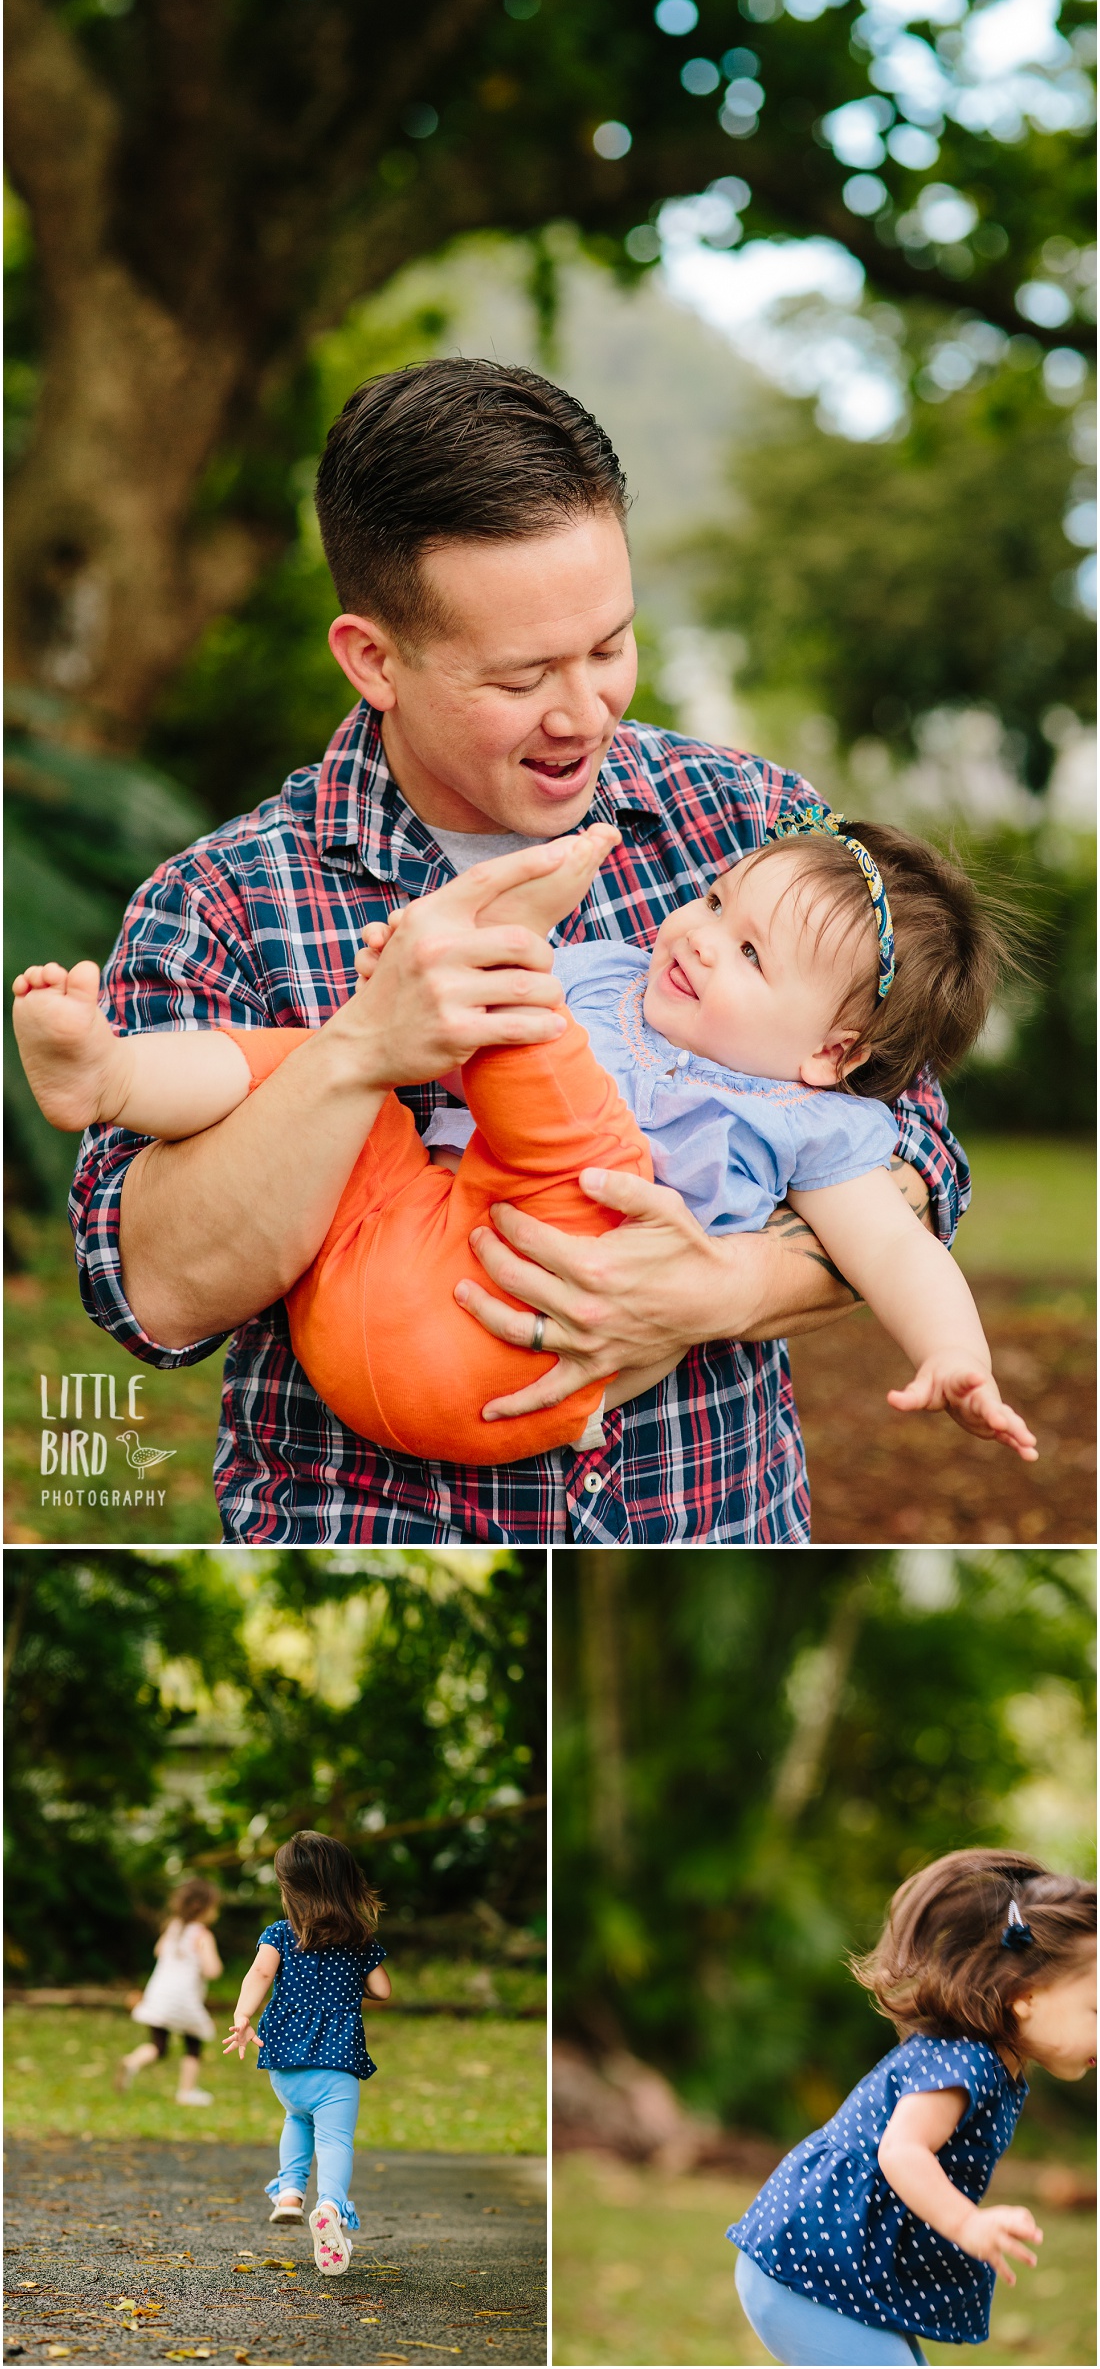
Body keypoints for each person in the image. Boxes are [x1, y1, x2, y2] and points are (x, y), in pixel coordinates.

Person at [60, 358, 970, 1542]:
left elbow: (916, 1159)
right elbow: (153, 1293)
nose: (583, 710)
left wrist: (720, 1290)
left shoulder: (750, 828)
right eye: (520, 675)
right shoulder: (222, 901)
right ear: (372, 658)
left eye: (607, 647)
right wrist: (359, 1054)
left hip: (703, 1533)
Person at [14, 809, 1036, 1468]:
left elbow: (901, 1241)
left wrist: (952, 1352)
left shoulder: (808, 1120)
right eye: (715, 900)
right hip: (412, 1243)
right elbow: (427, 1060)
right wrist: (403, 995)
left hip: (513, 1350)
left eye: (749, 954)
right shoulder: (597, 976)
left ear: (830, 1051)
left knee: (547, 1077)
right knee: (326, 1068)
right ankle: (115, 1073)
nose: (693, 936)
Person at [727, 1849, 1097, 2367]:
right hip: (808, 2268)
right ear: (1024, 1995)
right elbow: (901, 2152)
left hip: (833, 2273)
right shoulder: (967, 2061)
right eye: (1095, 2009)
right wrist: (968, 2225)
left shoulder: (995, 2066)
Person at [223, 1829, 390, 2275]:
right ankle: (330, 2208)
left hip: (285, 2061)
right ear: (345, 1886)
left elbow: (259, 1974)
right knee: (335, 2140)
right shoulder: (359, 1940)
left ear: (290, 1890)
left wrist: (242, 2017)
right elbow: (383, 1989)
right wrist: (354, 1977)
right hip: (336, 2063)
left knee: (295, 2118)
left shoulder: (280, 1934)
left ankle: (291, 2194)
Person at [118, 1878, 222, 2105]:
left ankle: (132, 2062)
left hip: (158, 1995)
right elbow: (212, 1970)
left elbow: (158, 1950)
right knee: (194, 2042)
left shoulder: (174, 1927)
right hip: (183, 2000)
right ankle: (186, 2092)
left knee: (159, 2045)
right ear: (203, 1908)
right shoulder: (202, 1935)